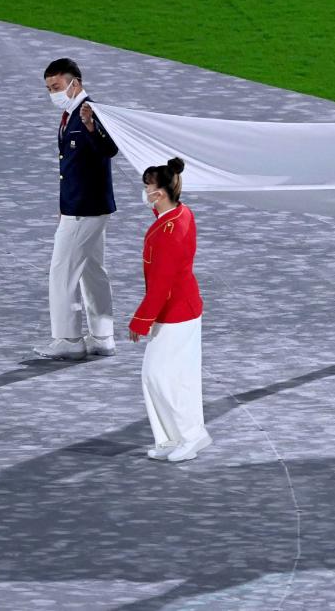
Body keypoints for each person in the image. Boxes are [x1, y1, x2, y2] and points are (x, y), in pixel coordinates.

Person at [34, 58, 119, 360]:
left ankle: (68, 338)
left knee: (62, 272)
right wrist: (64, 206)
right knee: (93, 271)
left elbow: (109, 149)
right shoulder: (71, 115)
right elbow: (71, 168)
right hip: (83, 206)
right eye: (48, 89)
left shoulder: (88, 112)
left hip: (85, 210)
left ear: (75, 83)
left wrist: (91, 127)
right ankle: (102, 336)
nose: (52, 94)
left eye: (56, 87)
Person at [129, 158, 211, 462]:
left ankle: (190, 436)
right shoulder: (180, 213)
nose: (145, 192)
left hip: (176, 313)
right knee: (169, 376)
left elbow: (161, 286)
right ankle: (172, 437)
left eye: (148, 187)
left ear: (159, 193)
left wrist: (140, 321)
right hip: (183, 307)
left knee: (159, 376)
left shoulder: (169, 233)